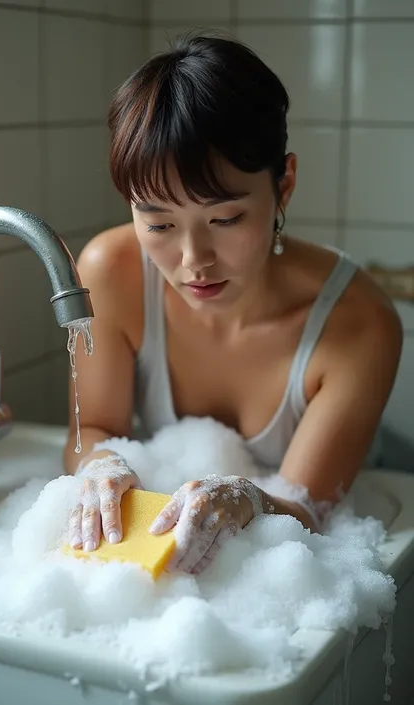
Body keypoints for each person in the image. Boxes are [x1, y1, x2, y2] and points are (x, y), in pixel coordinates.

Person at [64, 33, 402, 575]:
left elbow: (307, 510)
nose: (193, 259)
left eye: (225, 220)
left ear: (284, 183)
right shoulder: (111, 273)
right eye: (159, 224)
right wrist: (102, 464)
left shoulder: (358, 323)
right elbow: (93, 431)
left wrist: (249, 497)